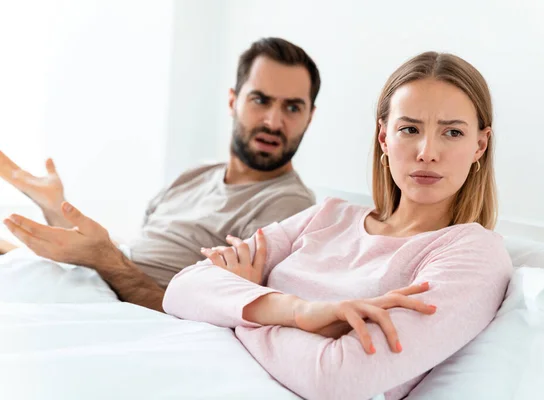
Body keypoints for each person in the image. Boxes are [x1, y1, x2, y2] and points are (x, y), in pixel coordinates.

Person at [162, 51, 513, 400]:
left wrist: (238, 312)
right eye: (409, 129)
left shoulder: (472, 253)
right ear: (384, 138)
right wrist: (303, 314)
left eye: (452, 132)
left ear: (479, 145)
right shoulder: (328, 215)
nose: (426, 151)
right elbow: (183, 288)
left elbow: (336, 378)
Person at [0, 37, 320, 312]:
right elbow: (133, 257)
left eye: (292, 108)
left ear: (309, 117)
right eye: (260, 100)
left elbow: (219, 313)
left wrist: (106, 259)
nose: (273, 122)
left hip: (125, 302)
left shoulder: (290, 207)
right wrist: (56, 207)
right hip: (95, 285)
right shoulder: (196, 175)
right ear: (233, 101)